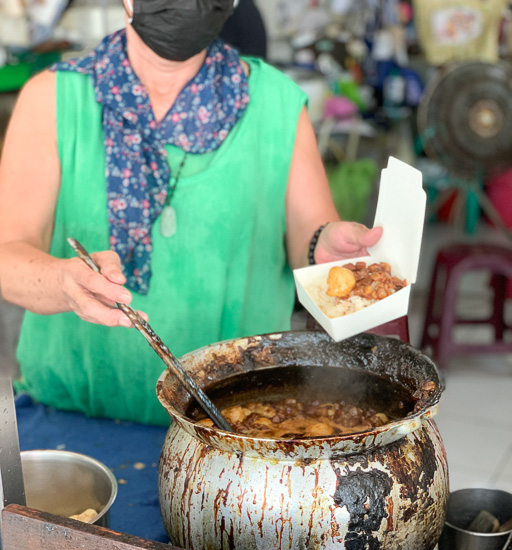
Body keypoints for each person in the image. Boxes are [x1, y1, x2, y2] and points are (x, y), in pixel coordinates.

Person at [0, 0, 382, 427]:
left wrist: (322, 243)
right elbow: (7, 254)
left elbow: (307, 234)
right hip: (73, 420)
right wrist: (62, 283)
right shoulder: (52, 98)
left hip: (234, 425)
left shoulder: (275, 102)